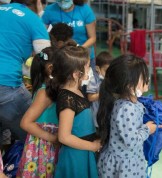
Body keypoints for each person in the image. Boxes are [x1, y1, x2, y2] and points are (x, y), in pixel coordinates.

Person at [97, 54, 162, 178]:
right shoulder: (126, 109)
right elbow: (131, 141)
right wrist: (148, 129)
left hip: (131, 161)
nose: (147, 78)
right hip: (125, 167)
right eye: (143, 76)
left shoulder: (131, 103)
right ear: (129, 85)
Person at [46, 42, 100, 178]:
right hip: (75, 156)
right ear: (76, 74)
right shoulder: (67, 98)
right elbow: (64, 136)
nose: (90, 70)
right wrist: (92, 147)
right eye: (88, 67)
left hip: (83, 151)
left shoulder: (77, 90)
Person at [0, 0, 50, 147]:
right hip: (7, 85)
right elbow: (47, 57)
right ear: (38, 3)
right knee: (35, 132)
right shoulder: (33, 19)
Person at [16, 47, 59, 178]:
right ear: (51, 68)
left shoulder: (49, 89)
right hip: (43, 148)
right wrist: (53, 138)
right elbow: (25, 123)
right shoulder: (44, 93)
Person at [42, 0, 97, 68]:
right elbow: (42, 34)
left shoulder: (85, 10)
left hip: (82, 56)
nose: (63, 2)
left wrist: (78, 49)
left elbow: (92, 38)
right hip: (60, 56)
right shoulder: (49, 10)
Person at [86, 51, 113, 129]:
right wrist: (103, 93)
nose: (109, 74)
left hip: (109, 115)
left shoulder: (111, 80)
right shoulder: (94, 80)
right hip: (97, 116)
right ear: (98, 68)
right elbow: (90, 97)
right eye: (106, 70)